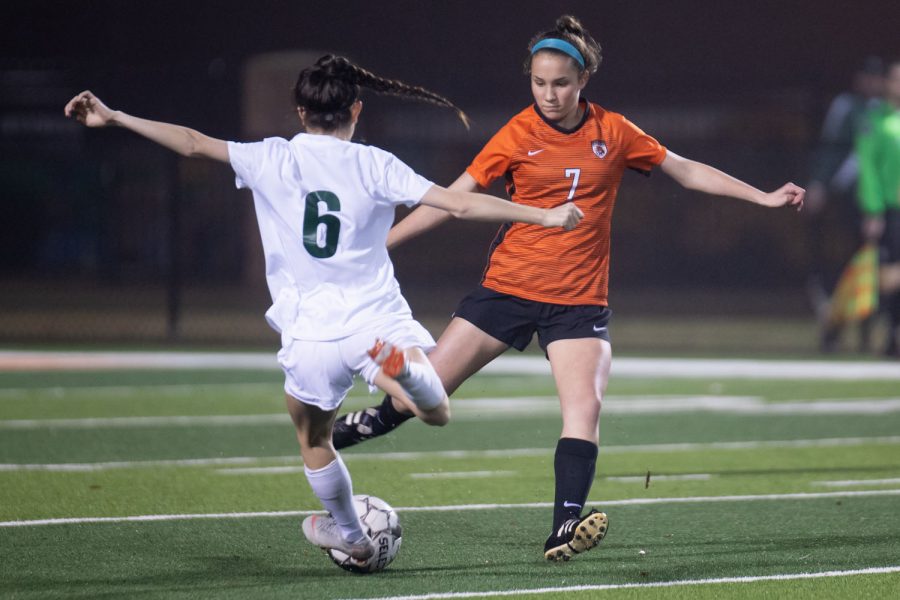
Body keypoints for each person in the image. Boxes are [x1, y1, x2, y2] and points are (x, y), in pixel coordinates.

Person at [64, 55, 583, 564]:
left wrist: (115, 117)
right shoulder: (374, 163)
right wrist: (544, 216)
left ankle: (353, 537)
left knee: (313, 439)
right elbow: (461, 203)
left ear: (300, 113)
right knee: (436, 409)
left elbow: (193, 143)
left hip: (310, 334)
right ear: (356, 110)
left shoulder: (271, 157)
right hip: (375, 323)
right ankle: (413, 381)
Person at [332, 15, 805, 562]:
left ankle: (563, 528)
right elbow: (449, 199)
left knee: (584, 408)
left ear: (583, 82)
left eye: (560, 83)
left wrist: (763, 197)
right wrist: (378, 246)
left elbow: (687, 169)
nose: (548, 94)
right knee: (424, 391)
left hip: (579, 302)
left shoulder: (616, 131)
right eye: (538, 82)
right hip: (507, 289)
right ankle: (362, 426)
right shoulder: (515, 133)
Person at [806, 57, 885, 352]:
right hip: (849, 197)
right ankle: (834, 326)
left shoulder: (886, 111)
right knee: (848, 264)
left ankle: (874, 331)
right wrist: (819, 183)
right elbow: (830, 147)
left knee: (877, 265)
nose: (872, 84)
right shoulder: (847, 106)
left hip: (881, 199)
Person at [856, 58, 900, 357]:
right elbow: (868, 168)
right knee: (887, 279)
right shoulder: (874, 121)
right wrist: (873, 209)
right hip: (892, 210)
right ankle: (887, 333)